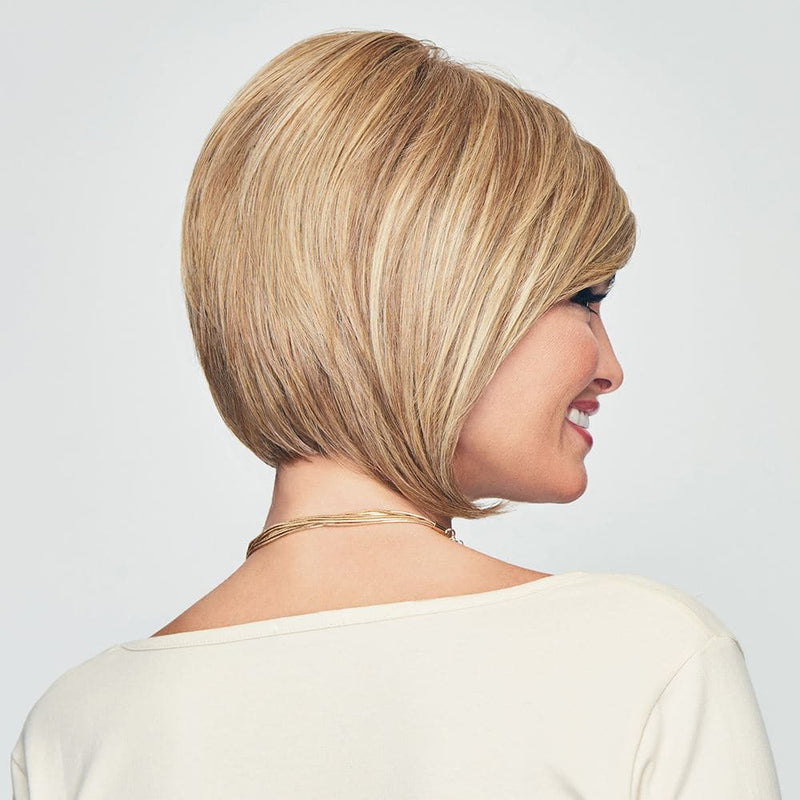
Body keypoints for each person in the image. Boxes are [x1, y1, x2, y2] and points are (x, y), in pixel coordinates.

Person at [10, 29, 781, 799]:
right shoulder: (644, 660)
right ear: (448, 296)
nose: (610, 368)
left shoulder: (78, 731)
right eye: (585, 297)